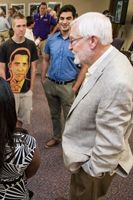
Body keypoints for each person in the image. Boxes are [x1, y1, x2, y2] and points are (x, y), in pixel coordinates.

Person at [60, 12, 133, 200]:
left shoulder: (117, 81)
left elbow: (110, 143)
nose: (70, 47)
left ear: (92, 41)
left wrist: (90, 170)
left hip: (91, 168)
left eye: (74, 40)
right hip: (85, 155)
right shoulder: (107, 59)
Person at [41, 5, 87, 149]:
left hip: (69, 86)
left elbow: (85, 66)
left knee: (71, 118)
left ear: (74, 19)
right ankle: (56, 137)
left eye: (68, 18)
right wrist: (43, 80)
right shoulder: (52, 39)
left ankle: (71, 143)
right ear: (58, 20)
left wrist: (75, 87)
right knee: (54, 115)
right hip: (51, 84)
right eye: (62, 18)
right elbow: (46, 60)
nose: (64, 21)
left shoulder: (79, 41)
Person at [0, 13, 38, 128]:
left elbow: (33, 67)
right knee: (9, 118)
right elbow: (2, 69)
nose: (22, 29)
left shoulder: (31, 45)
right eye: (19, 26)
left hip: (26, 90)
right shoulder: (5, 46)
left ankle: (17, 140)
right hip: (10, 91)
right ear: (13, 27)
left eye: (24, 25)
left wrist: (31, 88)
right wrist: (5, 90)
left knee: (21, 119)